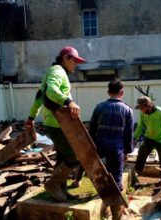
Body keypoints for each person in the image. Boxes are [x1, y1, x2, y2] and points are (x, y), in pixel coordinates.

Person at [25, 46, 85, 202]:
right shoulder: (58, 71)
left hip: (54, 122)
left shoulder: (53, 71)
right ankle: (53, 184)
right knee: (74, 157)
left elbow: (39, 97)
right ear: (65, 58)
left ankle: (62, 190)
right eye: (75, 61)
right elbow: (51, 91)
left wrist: (31, 117)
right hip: (58, 123)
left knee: (62, 158)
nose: (76, 65)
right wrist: (69, 102)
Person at [89, 79, 134, 220]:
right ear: (122, 92)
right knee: (116, 182)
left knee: (100, 178)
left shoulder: (99, 107)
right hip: (116, 151)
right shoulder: (127, 110)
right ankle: (117, 216)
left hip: (100, 149)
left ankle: (106, 208)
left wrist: (92, 149)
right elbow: (129, 134)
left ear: (108, 92)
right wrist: (127, 152)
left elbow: (91, 131)